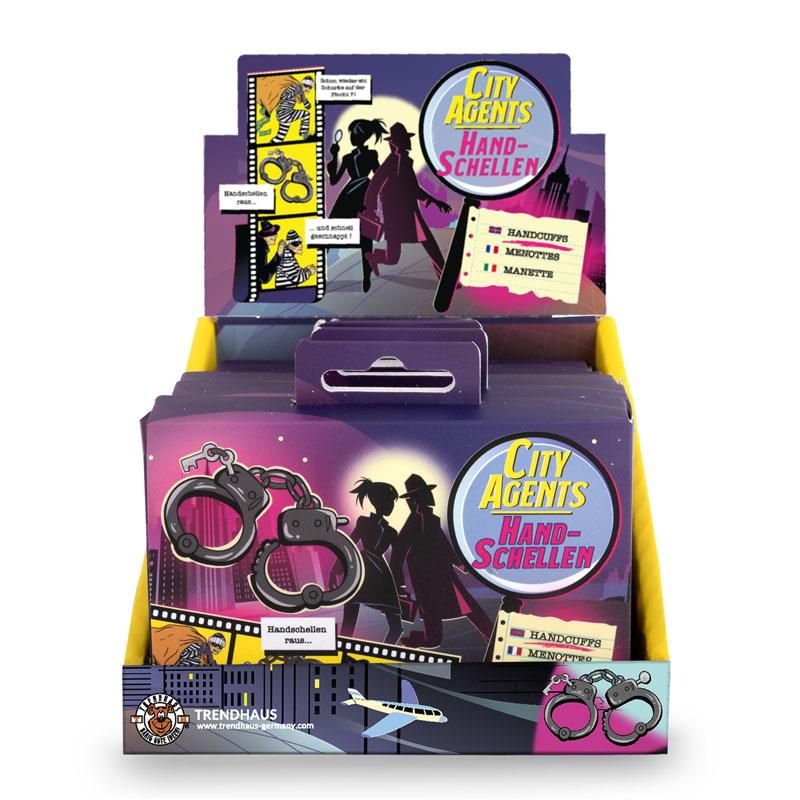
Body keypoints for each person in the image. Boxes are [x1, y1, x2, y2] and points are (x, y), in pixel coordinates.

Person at [390, 474, 493, 649]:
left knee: (465, 605)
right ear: (417, 499)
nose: (429, 497)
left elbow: (443, 544)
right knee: (435, 611)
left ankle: (491, 634)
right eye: (423, 494)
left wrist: (460, 564)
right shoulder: (414, 521)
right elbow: (399, 551)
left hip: (442, 574)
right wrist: (398, 582)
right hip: (426, 578)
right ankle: (431, 639)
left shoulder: (430, 518)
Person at [362, 122, 451, 279]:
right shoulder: (392, 162)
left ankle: (444, 276)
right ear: (396, 142)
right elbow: (375, 183)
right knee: (392, 258)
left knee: (429, 243)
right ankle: (374, 257)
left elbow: (413, 188)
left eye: (406, 138)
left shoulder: (405, 161)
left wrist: (434, 201)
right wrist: (370, 209)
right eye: (403, 138)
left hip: (411, 212)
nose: (407, 141)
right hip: (394, 215)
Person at [334, 479, 403, 643]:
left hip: (381, 577)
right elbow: (349, 544)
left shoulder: (391, 532)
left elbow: (397, 560)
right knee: (349, 624)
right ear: (378, 502)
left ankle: (383, 655)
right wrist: (336, 569)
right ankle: (344, 652)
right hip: (361, 572)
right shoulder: (363, 522)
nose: (392, 506)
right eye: (389, 501)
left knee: (396, 627)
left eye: (393, 502)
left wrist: (399, 585)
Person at [327, 118, 388, 292]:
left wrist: (379, 197)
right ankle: (319, 271)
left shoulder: (372, 155)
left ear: (362, 136)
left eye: (353, 134)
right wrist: (334, 156)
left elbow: (379, 176)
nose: (351, 137)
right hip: (348, 197)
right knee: (331, 233)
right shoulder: (347, 157)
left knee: (364, 237)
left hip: (363, 197)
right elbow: (334, 179)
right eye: (351, 134)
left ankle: (366, 277)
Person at [270, 75, 315, 143]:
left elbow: (308, 107)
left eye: (310, 87)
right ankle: (304, 134)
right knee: (306, 114)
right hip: (284, 113)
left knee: (280, 136)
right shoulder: (293, 88)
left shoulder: (301, 93)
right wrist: (294, 92)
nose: (307, 88)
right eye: (305, 85)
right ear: (302, 84)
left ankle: (273, 143)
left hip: (286, 114)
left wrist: (304, 98)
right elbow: (283, 97)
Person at [255, 218, 285, 285]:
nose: (275, 236)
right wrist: (278, 255)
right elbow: (264, 277)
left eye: (275, 233)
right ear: (263, 237)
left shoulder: (260, 246)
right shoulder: (261, 248)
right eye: (269, 234)